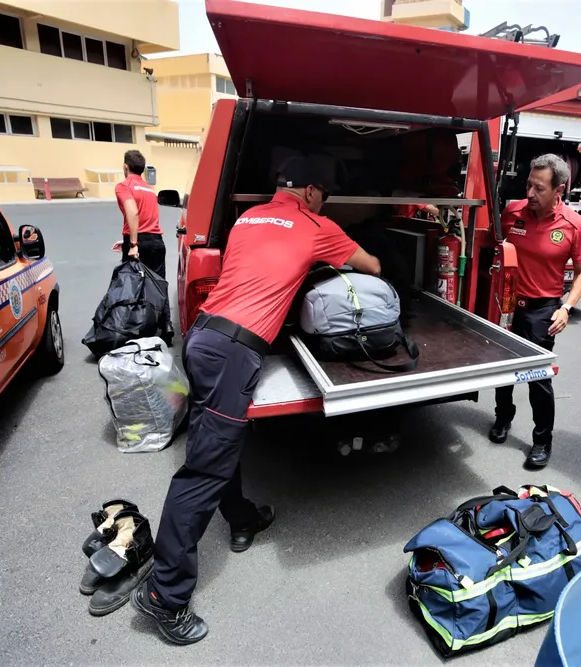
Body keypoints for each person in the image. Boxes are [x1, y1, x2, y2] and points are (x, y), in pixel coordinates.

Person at [132, 156, 381, 645]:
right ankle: (165, 595)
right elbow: (370, 266)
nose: (323, 203)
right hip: (234, 353)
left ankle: (242, 517)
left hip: (202, 338)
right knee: (202, 471)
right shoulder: (316, 225)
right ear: (311, 192)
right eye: (324, 196)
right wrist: (329, 261)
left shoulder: (248, 218)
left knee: (217, 441)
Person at [490, 154, 581, 469]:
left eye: (539, 188)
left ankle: (542, 441)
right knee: (503, 372)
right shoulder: (512, 212)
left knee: (538, 380)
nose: (530, 194)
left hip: (542, 310)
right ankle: (502, 419)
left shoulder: (574, 224)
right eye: (528, 185)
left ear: (558, 190)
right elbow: (493, 246)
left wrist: (567, 307)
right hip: (507, 305)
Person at [114, 149, 173, 344]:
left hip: (138, 242)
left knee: (132, 285)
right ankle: (166, 326)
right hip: (156, 241)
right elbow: (148, 218)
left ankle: (133, 330)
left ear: (125, 167)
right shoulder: (149, 189)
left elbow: (133, 212)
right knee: (158, 283)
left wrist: (132, 243)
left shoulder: (124, 186)